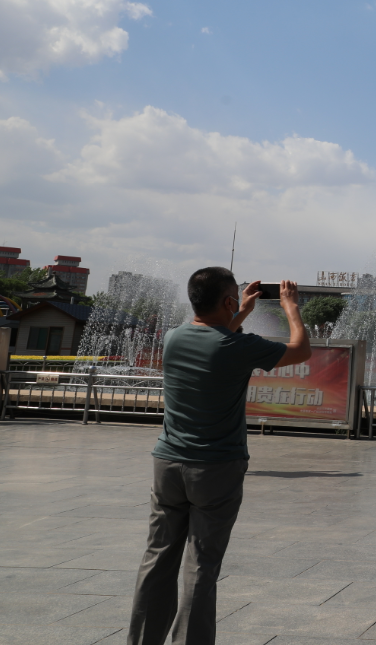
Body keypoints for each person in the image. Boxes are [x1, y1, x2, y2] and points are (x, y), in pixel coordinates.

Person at [128, 270, 311, 645]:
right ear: (228, 301)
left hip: (167, 463)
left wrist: (240, 312)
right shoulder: (238, 348)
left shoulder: (172, 338)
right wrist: (291, 308)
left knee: (157, 559)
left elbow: (216, 334)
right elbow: (301, 350)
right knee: (201, 565)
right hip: (215, 468)